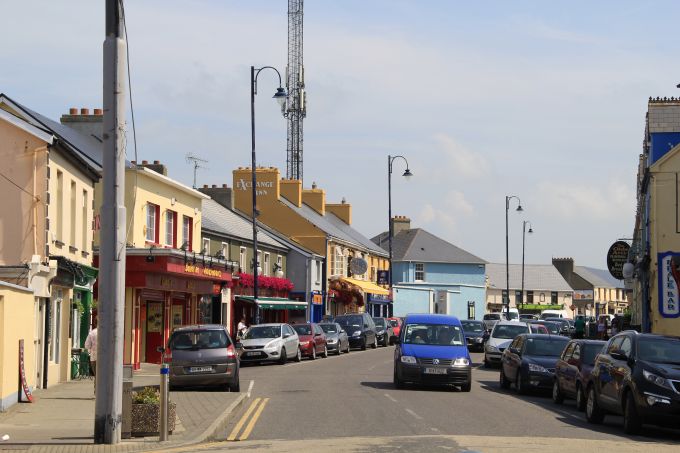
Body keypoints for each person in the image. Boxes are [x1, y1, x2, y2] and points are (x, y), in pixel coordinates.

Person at [84, 326, 97, 393]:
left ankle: (97, 391)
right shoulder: (108, 333)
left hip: (94, 357)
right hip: (106, 358)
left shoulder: (92, 333)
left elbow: (87, 345)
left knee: (97, 375)